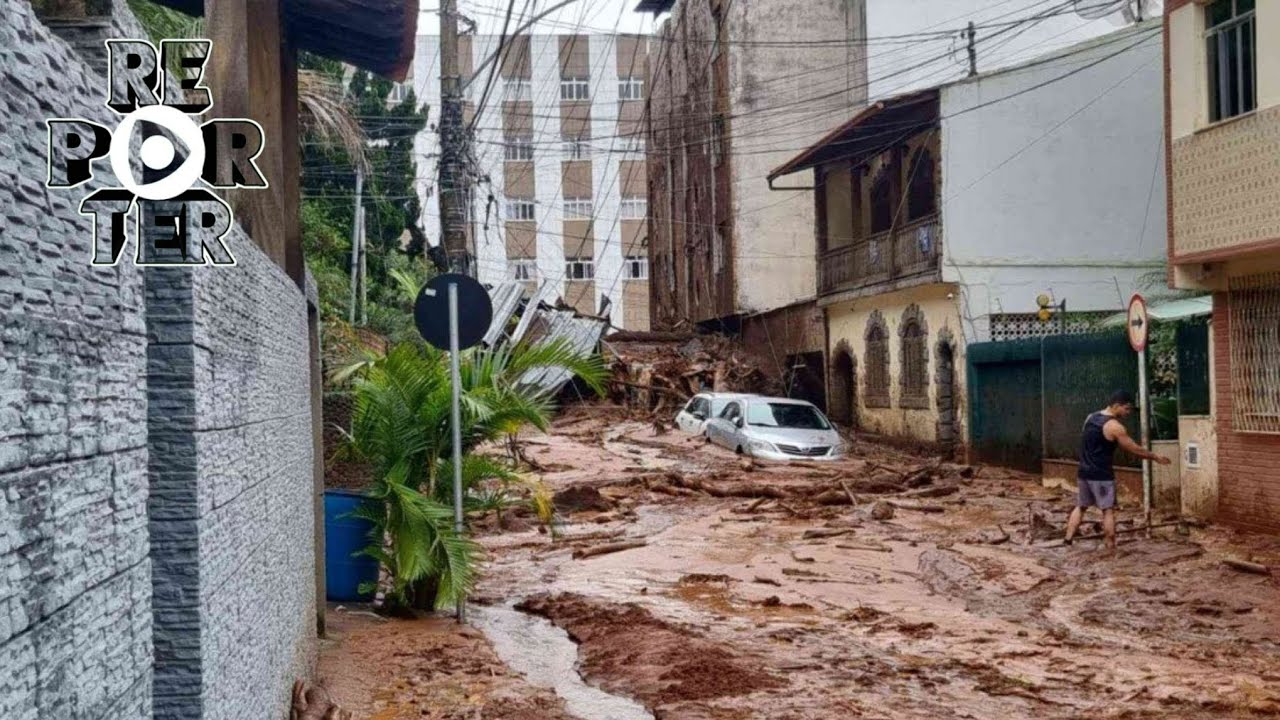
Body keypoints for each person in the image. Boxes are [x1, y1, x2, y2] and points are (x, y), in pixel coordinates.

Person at [1064, 390, 1171, 550]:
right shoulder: (1114, 426)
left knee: (1081, 506)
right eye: (1126, 409)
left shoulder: (1090, 417)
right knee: (1107, 511)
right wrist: (1154, 456)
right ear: (1116, 406)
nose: (1128, 413)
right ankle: (1111, 547)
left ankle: (1067, 540)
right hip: (1102, 475)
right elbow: (1134, 449)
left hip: (1084, 472)